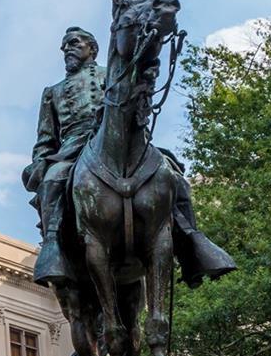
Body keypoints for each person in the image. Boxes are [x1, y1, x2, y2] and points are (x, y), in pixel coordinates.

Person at [22, 26, 235, 290]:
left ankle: (190, 242)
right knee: (54, 180)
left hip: (118, 138)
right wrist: (41, 163)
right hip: (74, 146)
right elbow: (45, 140)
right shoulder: (52, 92)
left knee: (174, 177)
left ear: (92, 48)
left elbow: (139, 96)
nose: (67, 49)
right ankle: (53, 244)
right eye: (65, 46)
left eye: (74, 43)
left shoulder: (115, 75)